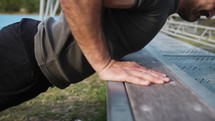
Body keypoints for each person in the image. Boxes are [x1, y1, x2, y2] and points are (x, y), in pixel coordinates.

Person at [0, 0, 214, 111]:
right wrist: (103, 64)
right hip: (24, 55)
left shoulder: (165, 7)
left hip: (33, 61)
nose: (213, 14)